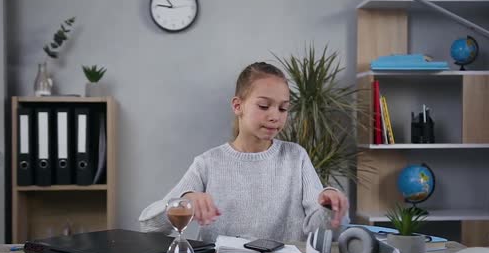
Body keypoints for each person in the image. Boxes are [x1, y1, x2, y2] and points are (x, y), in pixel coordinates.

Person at [139, 62, 349, 243]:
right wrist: (184, 202)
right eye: (264, 106)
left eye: (283, 109)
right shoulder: (208, 163)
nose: (275, 116)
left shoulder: (296, 157)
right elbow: (149, 228)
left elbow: (321, 232)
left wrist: (330, 207)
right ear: (238, 106)